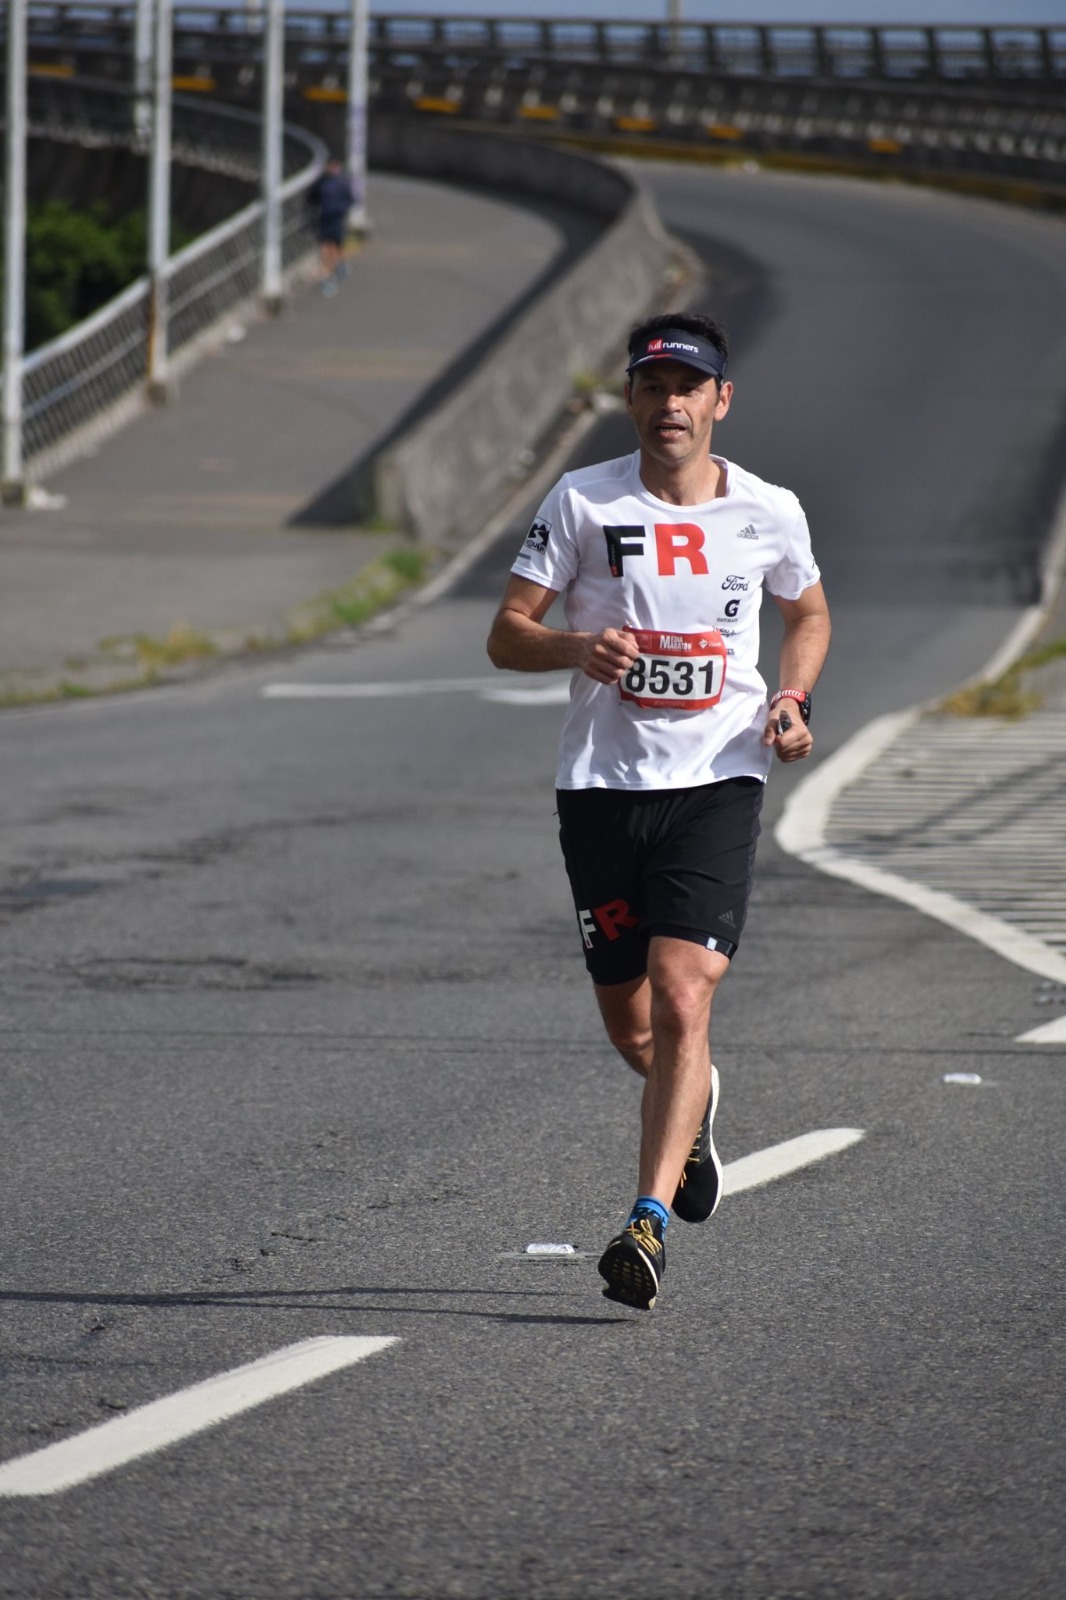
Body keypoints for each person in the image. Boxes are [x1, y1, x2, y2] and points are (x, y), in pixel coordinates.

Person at [487, 311, 831, 1310]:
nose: (668, 403)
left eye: (689, 387)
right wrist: (574, 647)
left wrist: (791, 700)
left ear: (720, 401)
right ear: (631, 400)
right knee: (634, 1026)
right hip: (602, 784)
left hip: (718, 776)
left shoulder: (768, 509)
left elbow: (805, 612)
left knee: (685, 996)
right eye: (651, 387)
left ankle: (646, 1219)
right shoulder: (583, 501)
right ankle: (697, 1100)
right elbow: (508, 633)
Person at [308, 157, 355, 294]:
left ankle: (340, 265)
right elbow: (311, 199)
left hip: (337, 220)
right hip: (324, 220)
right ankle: (328, 278)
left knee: (336, 248)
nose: (333, 169)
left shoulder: (342, 183)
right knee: (326, 249)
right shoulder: (321, 183)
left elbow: (350, 199)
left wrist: (341, 211)